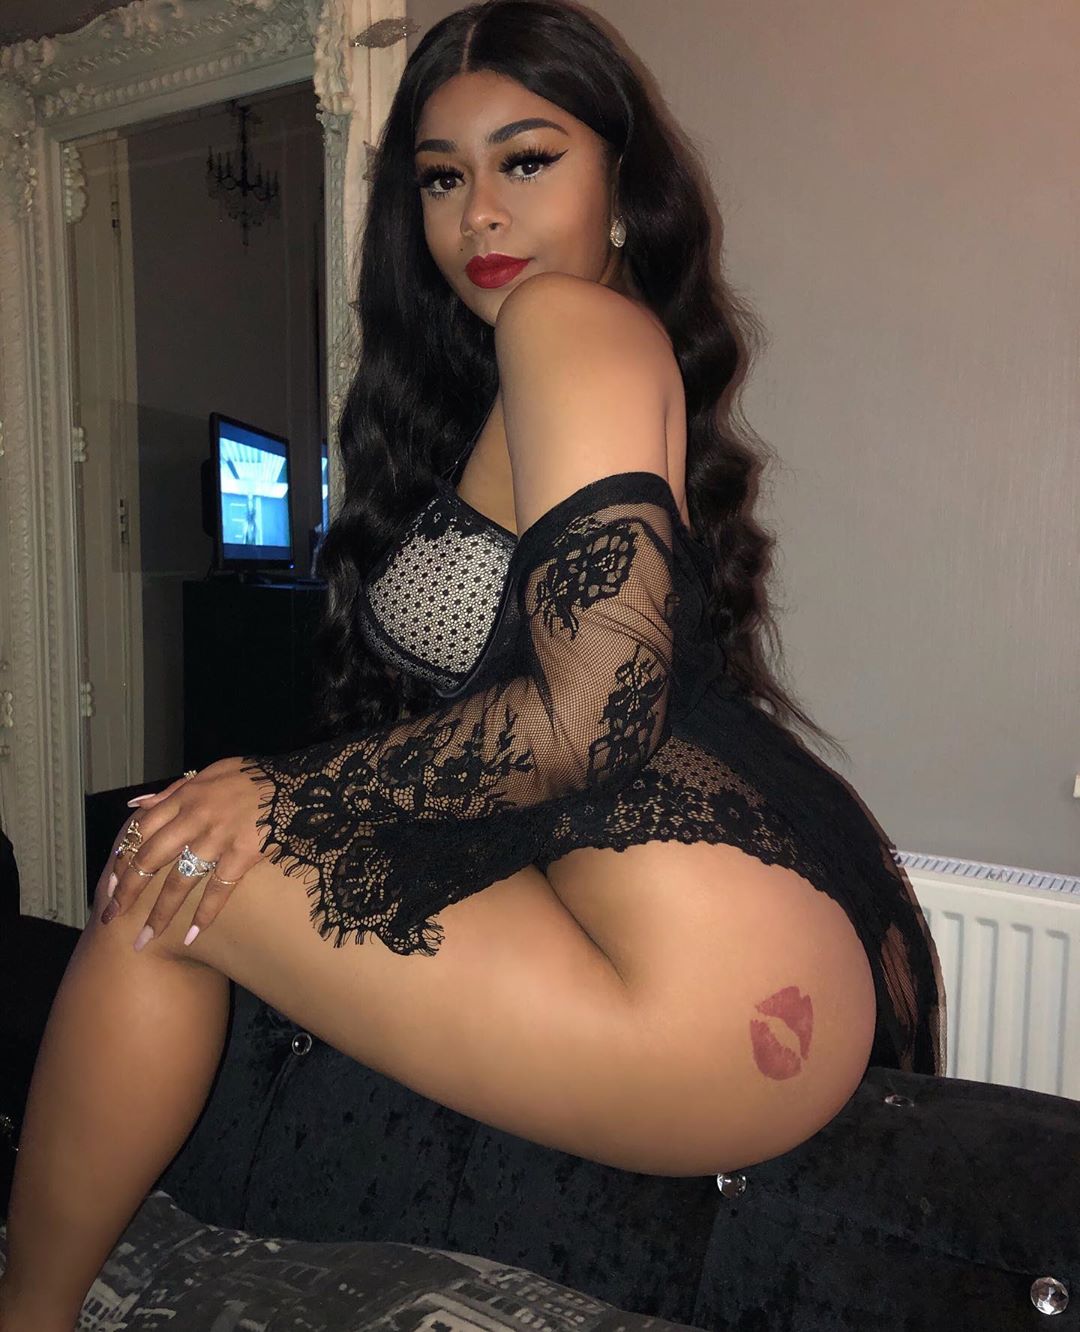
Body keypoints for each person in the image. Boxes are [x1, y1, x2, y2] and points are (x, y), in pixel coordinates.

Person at [0, 1, 947, 1326]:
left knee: (167, 874)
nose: (479, 213)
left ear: (624, 187)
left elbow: (593, 711)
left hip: (704, 992)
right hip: (758, 957)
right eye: (442, 178)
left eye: (528, 159)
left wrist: (281, 795)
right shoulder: (565, 356)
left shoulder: (563, 322)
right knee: (196, 848)